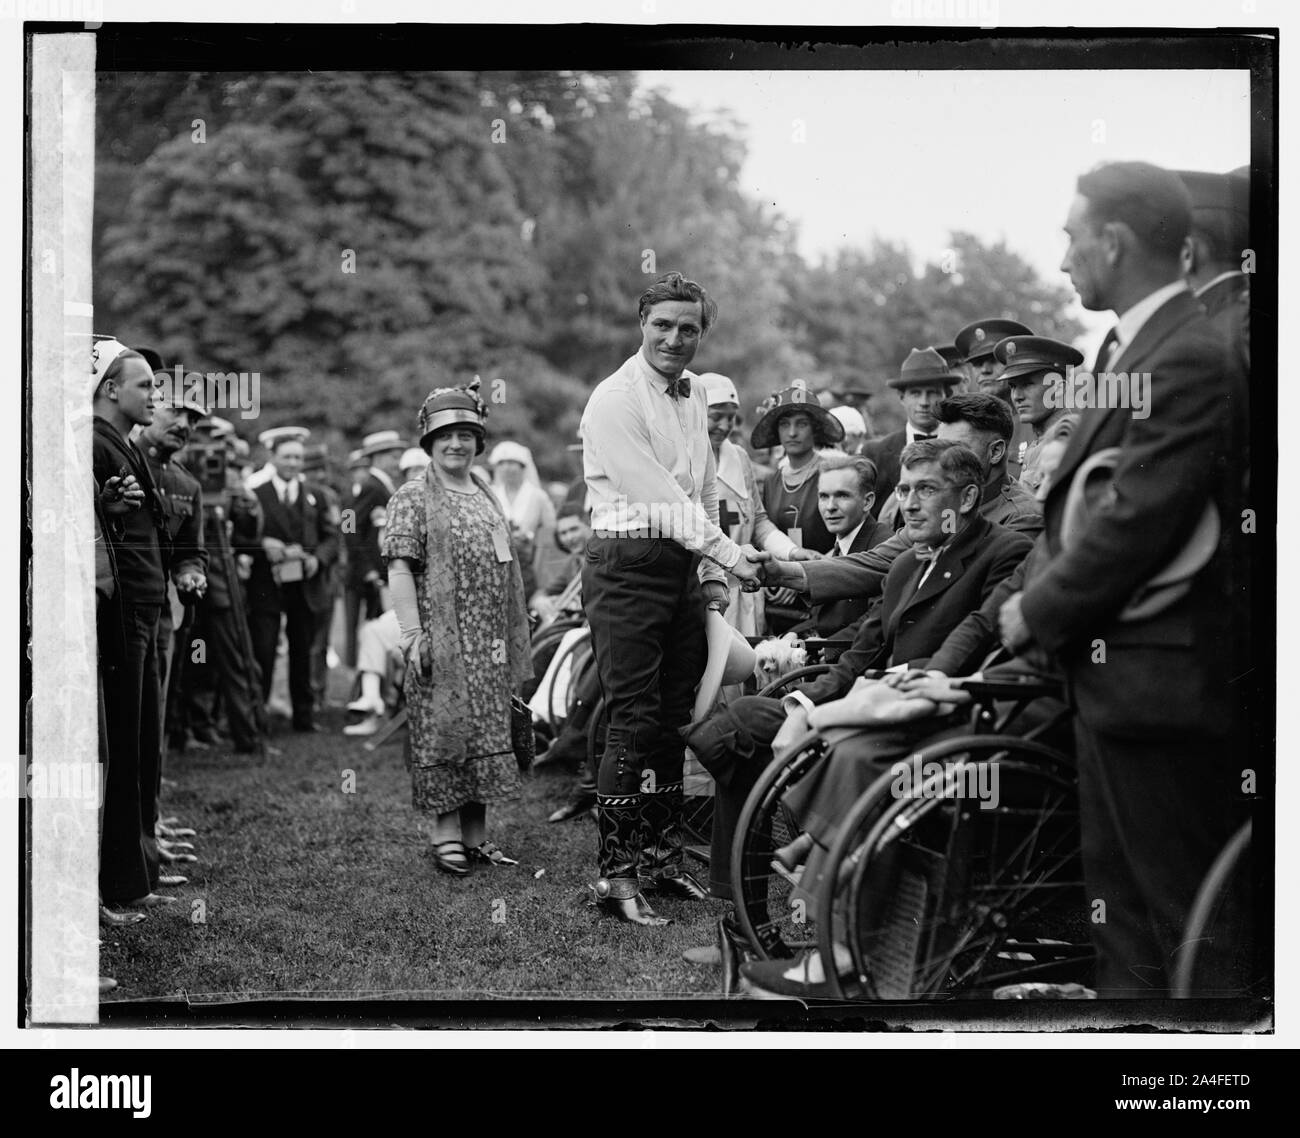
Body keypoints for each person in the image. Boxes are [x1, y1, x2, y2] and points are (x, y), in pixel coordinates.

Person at [1000, 160, 1251, 998]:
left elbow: (1137, 516)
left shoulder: (1188, 354)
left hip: (1163, 685)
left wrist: (1037, 609)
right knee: (1128, 923)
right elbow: (1087, 502)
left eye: (1072, 236)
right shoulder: (1144, 345)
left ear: (1113, 240)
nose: (1064, 257)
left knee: (1189, 934)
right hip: (1122, 680)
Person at [686, 440, 1032, 912]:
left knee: (744, 735)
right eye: (905, 488)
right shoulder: (908, 562)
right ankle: (743, 904)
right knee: (740, 721)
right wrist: (801, 704)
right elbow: (860, 651)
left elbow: (985, 645)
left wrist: (853, 697)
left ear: (967, 499)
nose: (908, 503)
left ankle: (811, 847)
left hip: (936, 714)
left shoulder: (1005, 551)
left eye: (925, 490)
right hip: (869, 700)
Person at [579, 270, 765, 925]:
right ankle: (615, 877)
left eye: (689, 328)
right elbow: (659, 498)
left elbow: (706, 489)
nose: (675, 338)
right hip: (626, 563)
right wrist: (735, 556)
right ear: (641, 325)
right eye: (663, 325)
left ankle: (659, 863)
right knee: (633, 718)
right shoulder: (613, 399)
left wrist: (712, 577)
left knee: (675, 716)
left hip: (681, 565)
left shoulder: (694, 397)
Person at [382, 381, 533, 874]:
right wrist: (412, 635)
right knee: (444, 732)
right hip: (442, 642)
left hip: (488, 643)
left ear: (478, 441)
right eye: (446, 435)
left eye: (466, 434)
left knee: (487, 733)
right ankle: (443, 833)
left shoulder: (486, 494)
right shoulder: (411, 496)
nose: (456, 444)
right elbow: (400, 567)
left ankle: (475, 837)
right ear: (428, 441)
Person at [91, 336, 175, 910]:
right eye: (144, 384)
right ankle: (119, 879)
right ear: (110, 388)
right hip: (120, 611)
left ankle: (138, 869)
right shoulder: (94, 444)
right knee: (122, 745)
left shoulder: (121, 443)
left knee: (141, 741)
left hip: (142, 607)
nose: (154, 394)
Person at [246, 427, 340, 733]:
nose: (293, 463)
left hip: (304, 585)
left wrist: (317, 559)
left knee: (304, 648)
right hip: (267, 586)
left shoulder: (315, 495)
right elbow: (239, 537)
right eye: (287, 457)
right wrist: (264, 547)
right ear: (273, 457)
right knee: (265, 648)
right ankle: (260, 718)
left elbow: (331, 537)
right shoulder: (256, 493)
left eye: (298, 457)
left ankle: (304, 716)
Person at [182, 417, 267, 754]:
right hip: (191, 582)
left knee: (230, 661)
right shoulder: (181, 470)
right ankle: (188, 730)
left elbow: (246, 537)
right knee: (193, 662)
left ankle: (243, 732)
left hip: (221, 580)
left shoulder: (231, 480)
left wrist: (246, 508)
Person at [785, 454, 892, 641]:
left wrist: (826, 648)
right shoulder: (840, 545)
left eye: (842, 495)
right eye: (824, 496)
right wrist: (794, 634)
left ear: (867, 502)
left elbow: (877, 619)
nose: (830, 507)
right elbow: (824, 617)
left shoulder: (883, 547)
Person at [861, 348, 959, 519]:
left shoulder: (961, 449)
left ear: (946, 396)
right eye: (915, 393)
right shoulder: (875, 453)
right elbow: (867, 518)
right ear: (901, 398)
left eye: (932, 393)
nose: (924, 402)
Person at [342, 430, 406, 669]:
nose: (397, 462)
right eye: (393, 456)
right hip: (371, 572)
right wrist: (365, 566)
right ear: (378, 457)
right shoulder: (372, 485)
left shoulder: (381, 485)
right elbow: (349, 523)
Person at [993, 335, 1086, 495]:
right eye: (1013, 386)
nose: (1017, 396)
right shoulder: (1037, 444)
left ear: (1057, 389)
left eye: (1028, 384)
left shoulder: (1069, 440)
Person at [954, 317, 1035, 479]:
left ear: (1015, 364)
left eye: (993, 361)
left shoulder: (1035, 424)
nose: (985, 370)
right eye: (977, 364)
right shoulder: (967, 429)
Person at [489, 439, 556, 599]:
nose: (506, 468)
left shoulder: (537, 496)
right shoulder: (491, 495)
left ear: (522, 466)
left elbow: (549, 533)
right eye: (501, 463)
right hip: (497, 565)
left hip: (531, 565)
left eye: (512, 463)